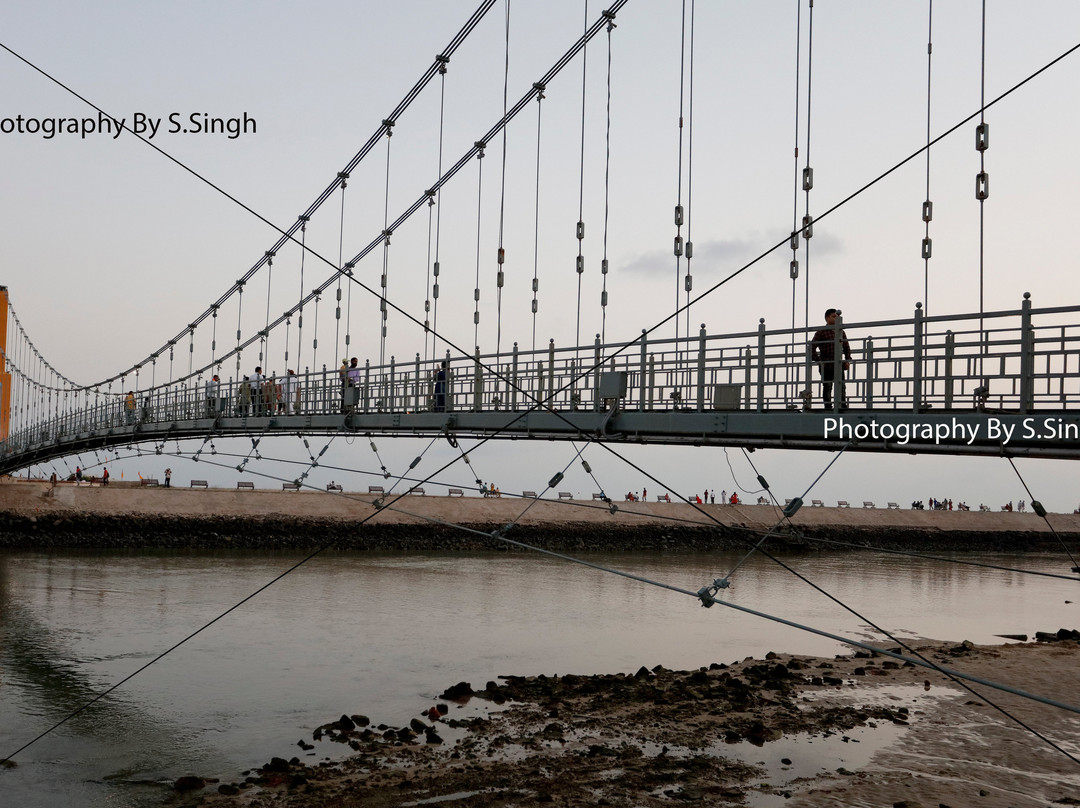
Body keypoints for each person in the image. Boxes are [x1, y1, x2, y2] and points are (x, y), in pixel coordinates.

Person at [811, 308, 852, 410]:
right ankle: (828, 406)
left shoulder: (841, 331)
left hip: (838, 364)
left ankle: (843, 405)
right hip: (826, 363)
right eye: (834, 317)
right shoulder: (821, 332)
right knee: (827, 386)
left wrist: (847, 360)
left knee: (841, 386)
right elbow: (811, 347)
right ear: (827, 318)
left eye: (837, 317)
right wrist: (819, 361)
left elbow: (846, 347)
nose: (836, 319)